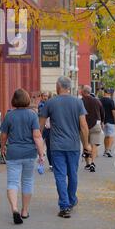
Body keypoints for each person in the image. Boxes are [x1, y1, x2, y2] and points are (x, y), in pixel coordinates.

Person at [39, 76, 91, 219]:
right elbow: (84, 126)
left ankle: (64, 205)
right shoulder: (78, 103)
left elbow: (40, 126)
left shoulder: (50, 103)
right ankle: (71, 199)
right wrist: (86, 144)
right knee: (73, 174)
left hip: (56, 146)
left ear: (58, 86)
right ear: (68, 87)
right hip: (73, 145)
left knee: (60, 175)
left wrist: (38, 145)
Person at [0, 89, 45, 225]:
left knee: (12, 182)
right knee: (27, 181)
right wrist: (41, 154)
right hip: (29, 153)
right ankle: (24, 211)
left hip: (13, 153)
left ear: (14, 100)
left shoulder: (9, 116)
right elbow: (37, 136)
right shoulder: (32, 115)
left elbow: (3, 135)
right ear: (27, 100)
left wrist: (3, 146)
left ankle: (14, 208)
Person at [81, 85, 105, 173]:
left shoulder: (80, 101)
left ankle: (87, 163)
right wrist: (102, 122)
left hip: (84, 126)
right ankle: (92, 163)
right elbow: (102, 112)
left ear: (83, 92)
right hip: (96, 125)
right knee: (94, 145)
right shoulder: (97, 101)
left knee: (86, 144)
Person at [100, 89, 115, 158]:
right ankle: (109, 150)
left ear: (104, 93)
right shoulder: (111, 101)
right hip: (110, 121)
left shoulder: (100, 100)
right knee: (111, 136)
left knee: (106, 136)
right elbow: (113, 111)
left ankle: (105, 150)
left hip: (103, 121)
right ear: (109, 94)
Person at [38, 92, 53, 170]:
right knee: (39, 145)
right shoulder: (41, 105)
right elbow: (41, 115)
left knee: (49, 147)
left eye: (46, 96)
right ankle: (41, 159)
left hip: (49, 128)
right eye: (44, 96)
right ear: (41, 97)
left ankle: (51, 164)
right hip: (42, 128)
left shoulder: (51, 105)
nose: (45, 97)